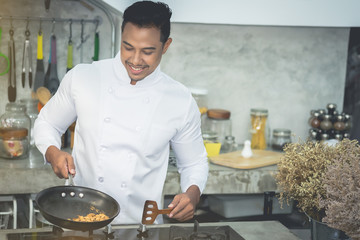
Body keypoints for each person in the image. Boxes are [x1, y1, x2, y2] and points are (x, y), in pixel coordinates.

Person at [34, 1, 208, 224]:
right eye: (128, 47)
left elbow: (194, 162)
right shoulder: (84, 77)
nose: (135, 60)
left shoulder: (180, 100)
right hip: (80, 222)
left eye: (147, 51)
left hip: (141, 227)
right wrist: (52, 152)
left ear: (166, 46)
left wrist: (192, 195)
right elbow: (47, 122)